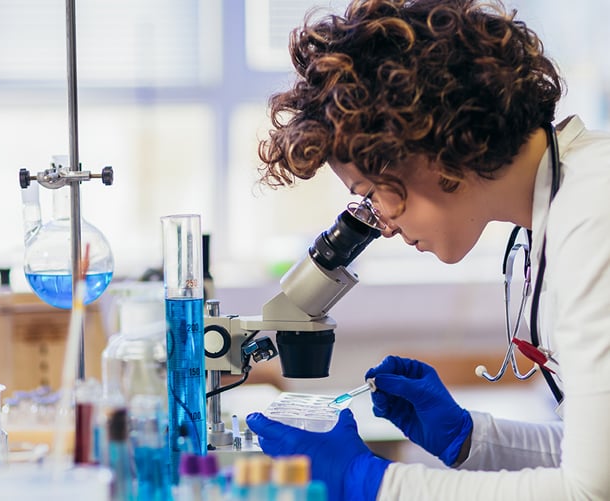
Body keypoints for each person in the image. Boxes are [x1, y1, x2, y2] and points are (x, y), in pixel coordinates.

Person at [244, 0, 610, 499]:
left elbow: (588, 491)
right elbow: (597, 454)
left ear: (428, 144)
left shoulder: (594, 216)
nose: (385, 227)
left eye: (371, 196)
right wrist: (470, 438)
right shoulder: (563, 200)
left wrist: (371, 483)